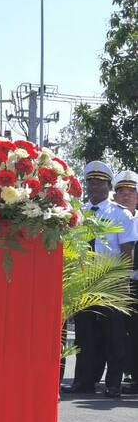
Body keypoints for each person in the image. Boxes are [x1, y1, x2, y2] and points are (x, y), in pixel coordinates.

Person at [62, 161, 136, 398]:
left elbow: (127, 251)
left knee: (114, 336)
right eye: (91, 182)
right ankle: (83, 381)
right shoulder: (79, 213)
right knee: (85, 336)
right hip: (83, 282)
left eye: (99, 183)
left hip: (110, 283)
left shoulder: (120, 213)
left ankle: (113, 384)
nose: (94, 187)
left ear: (108, 187)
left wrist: (121, 284)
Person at [113, 170, 138, 394]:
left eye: (131, 191)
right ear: (115, 196)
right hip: (118, 282)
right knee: (120, 331)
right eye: (121, 191)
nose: (126, 195)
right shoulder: (110, 217)